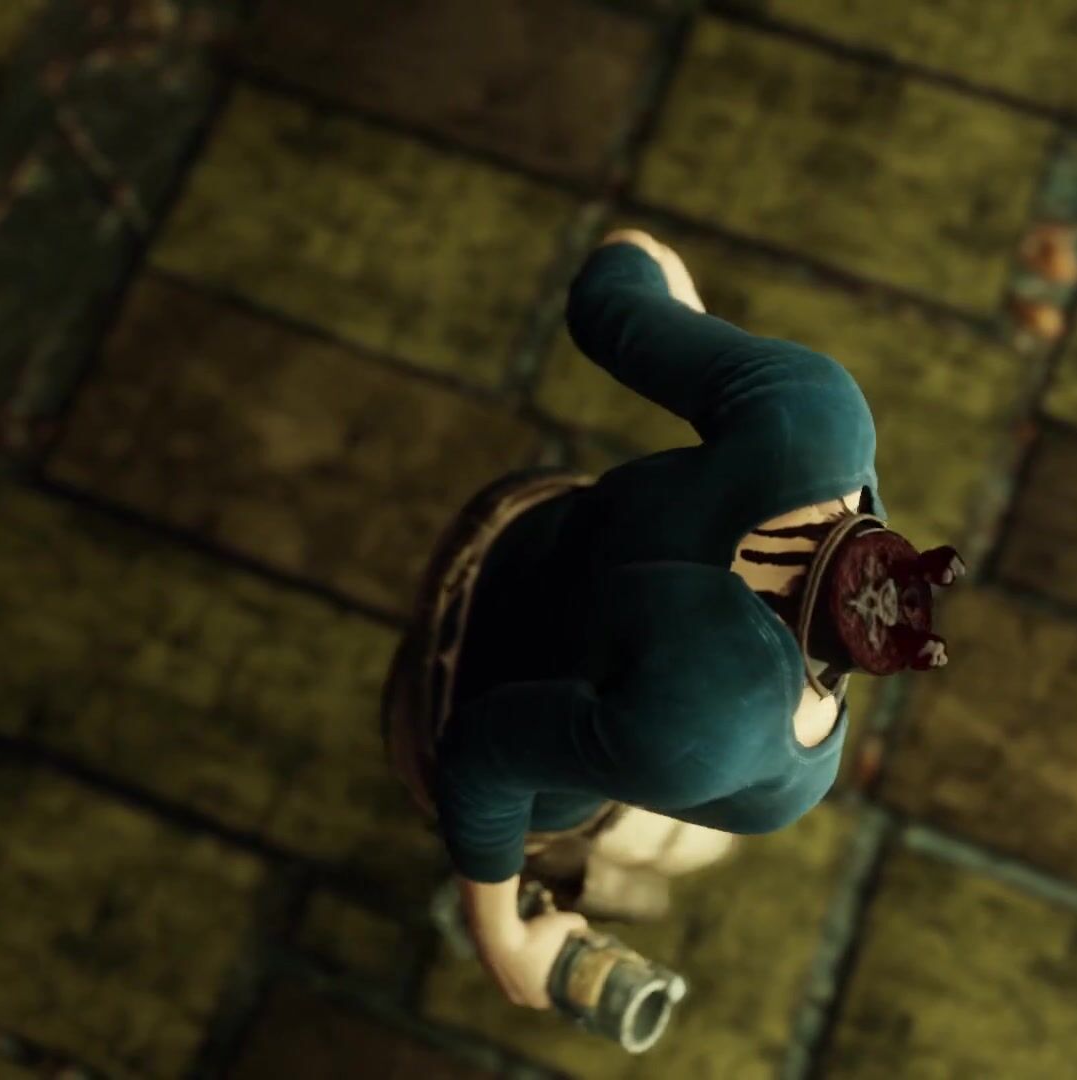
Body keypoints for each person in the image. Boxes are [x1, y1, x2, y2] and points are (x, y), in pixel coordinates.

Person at [380, 229, 965, 1011]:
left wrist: (696, 336)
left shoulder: (813, 408)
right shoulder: (760, 755)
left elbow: (613, 286)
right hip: (439, 711)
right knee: (690, 848)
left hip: (508, 533)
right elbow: (478, 756)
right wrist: (503, 943)